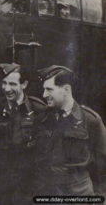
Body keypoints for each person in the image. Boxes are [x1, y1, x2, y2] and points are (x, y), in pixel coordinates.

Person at [35, 65, 106, 197]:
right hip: (48, 193)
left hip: (79, 195)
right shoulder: (43, 118)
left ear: (66, 89)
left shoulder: (90, 120)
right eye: (44, 89)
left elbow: (104, 166)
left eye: (49, 89)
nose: (44, 95)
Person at [0, 63, 47, 205]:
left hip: (29, 185)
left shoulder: (39, 109)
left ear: (24, 84)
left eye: (12, 84)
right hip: (1, 185)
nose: (7, 89)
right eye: (4, 83)